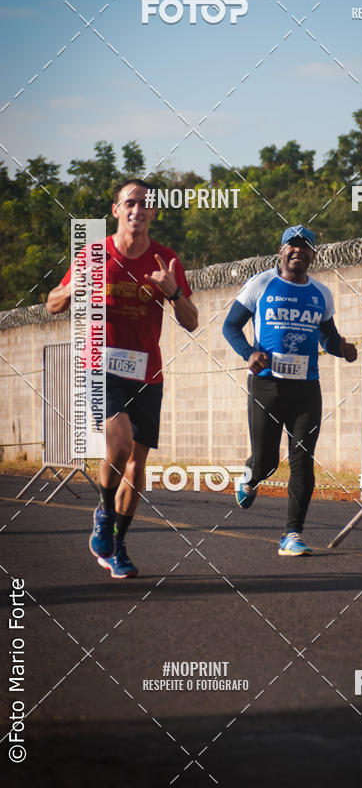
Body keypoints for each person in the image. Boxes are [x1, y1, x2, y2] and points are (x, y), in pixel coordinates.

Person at [46, 179, 198, 578]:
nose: (138, 210)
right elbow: (51, 304)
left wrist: (174, 292)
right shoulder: (94, 254)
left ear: (153, 213)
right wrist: (72, 291)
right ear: (116, 210)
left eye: (145, 205)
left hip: (148, 372)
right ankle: (102, 510)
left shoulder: (166, 259)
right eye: (130, 203)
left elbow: (192, 320)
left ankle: (118, 543)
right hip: (102, 367)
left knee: (136, 466)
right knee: (119, 443)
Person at [222, 225, 357, 556]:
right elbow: (230, 325)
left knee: (302, 460)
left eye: (305, 247)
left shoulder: (321, 293)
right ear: (280, 251)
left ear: (313, 254)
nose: (298, 251)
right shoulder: (262, 283)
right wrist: (248, 353)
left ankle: (292, 534)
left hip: (306, 389)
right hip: (267, 385)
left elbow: (327, 336)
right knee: (267, 461)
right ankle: (251, 478)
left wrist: (342, 349)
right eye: (291, 246)